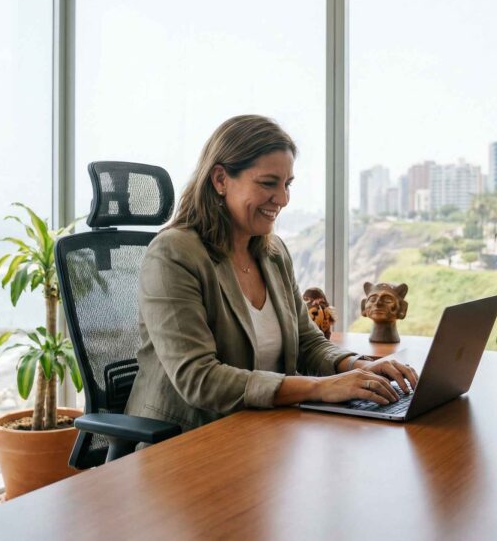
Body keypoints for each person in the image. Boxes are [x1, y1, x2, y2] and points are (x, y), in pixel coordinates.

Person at [125, 115, 418, 432]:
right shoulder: (173, 254)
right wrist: (322, 388)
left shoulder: (273, 253)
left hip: (261, 431)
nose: (283, 198)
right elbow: (199, 379)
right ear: (221, 179)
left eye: (287, 184)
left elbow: (308, 343)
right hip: (185, 442)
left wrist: (360, 367)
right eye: (268, 183)